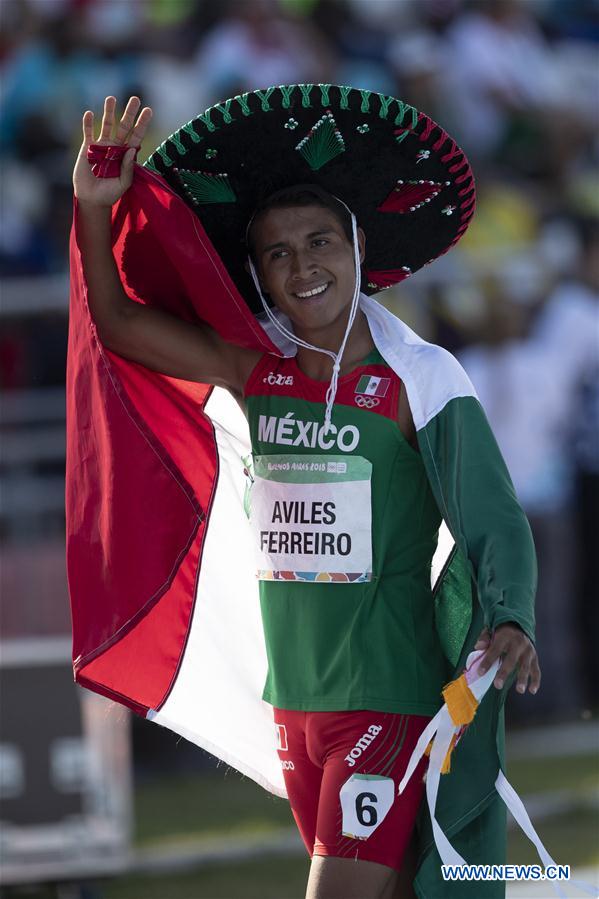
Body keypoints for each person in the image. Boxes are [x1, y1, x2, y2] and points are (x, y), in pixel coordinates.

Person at [70, 92, 540, 899]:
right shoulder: (257, 375)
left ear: (357, 250)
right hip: (296, 704)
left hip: (388, 700)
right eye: (277, 254)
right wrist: (90, 206)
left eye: (319, 242)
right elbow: (115, 325)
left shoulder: (418, 380)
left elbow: (491, 514)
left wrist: (509, 615)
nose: (302, 266)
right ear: (256, 273)